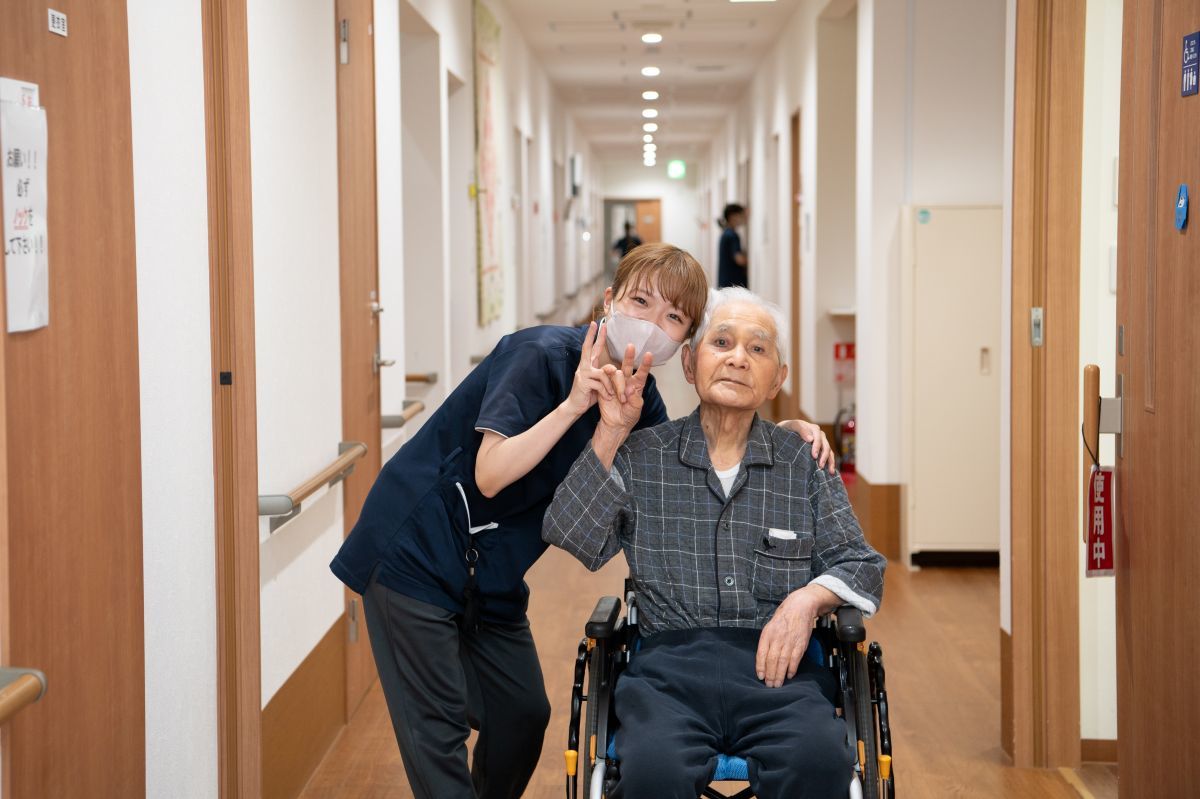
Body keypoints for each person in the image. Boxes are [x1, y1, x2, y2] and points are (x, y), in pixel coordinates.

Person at [330, 247, 833, 799]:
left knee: (521, 718)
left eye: (672, 318)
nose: (650, 325)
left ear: (683, 346)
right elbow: (491, 475)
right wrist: (574, 405)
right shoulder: (540, 354)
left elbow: (690, 457)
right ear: (609, 301)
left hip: (491, 573)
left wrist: (778, 430)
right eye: (640, 303)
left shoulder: (645, 402)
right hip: (416, 553)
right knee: (439, 729)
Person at [543, 286, 886, 799]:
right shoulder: (643, 454)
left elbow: (861, 562)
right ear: (689, 363)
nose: (737, 359)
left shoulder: (801, 462)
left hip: (782, 679)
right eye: (721, 342)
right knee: (652, 775)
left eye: (758, 349)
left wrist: (807, 599)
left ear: (778, 380)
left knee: (818, 764)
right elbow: (570, 534)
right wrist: (609, 433)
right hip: (666, 679)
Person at [717, 203, 748, 288]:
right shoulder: (732, 235)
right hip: (732, 283)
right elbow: (739, 259)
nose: (743, 219)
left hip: (726, 282)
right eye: (741, 215)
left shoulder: (726, 233)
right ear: (732, 217)